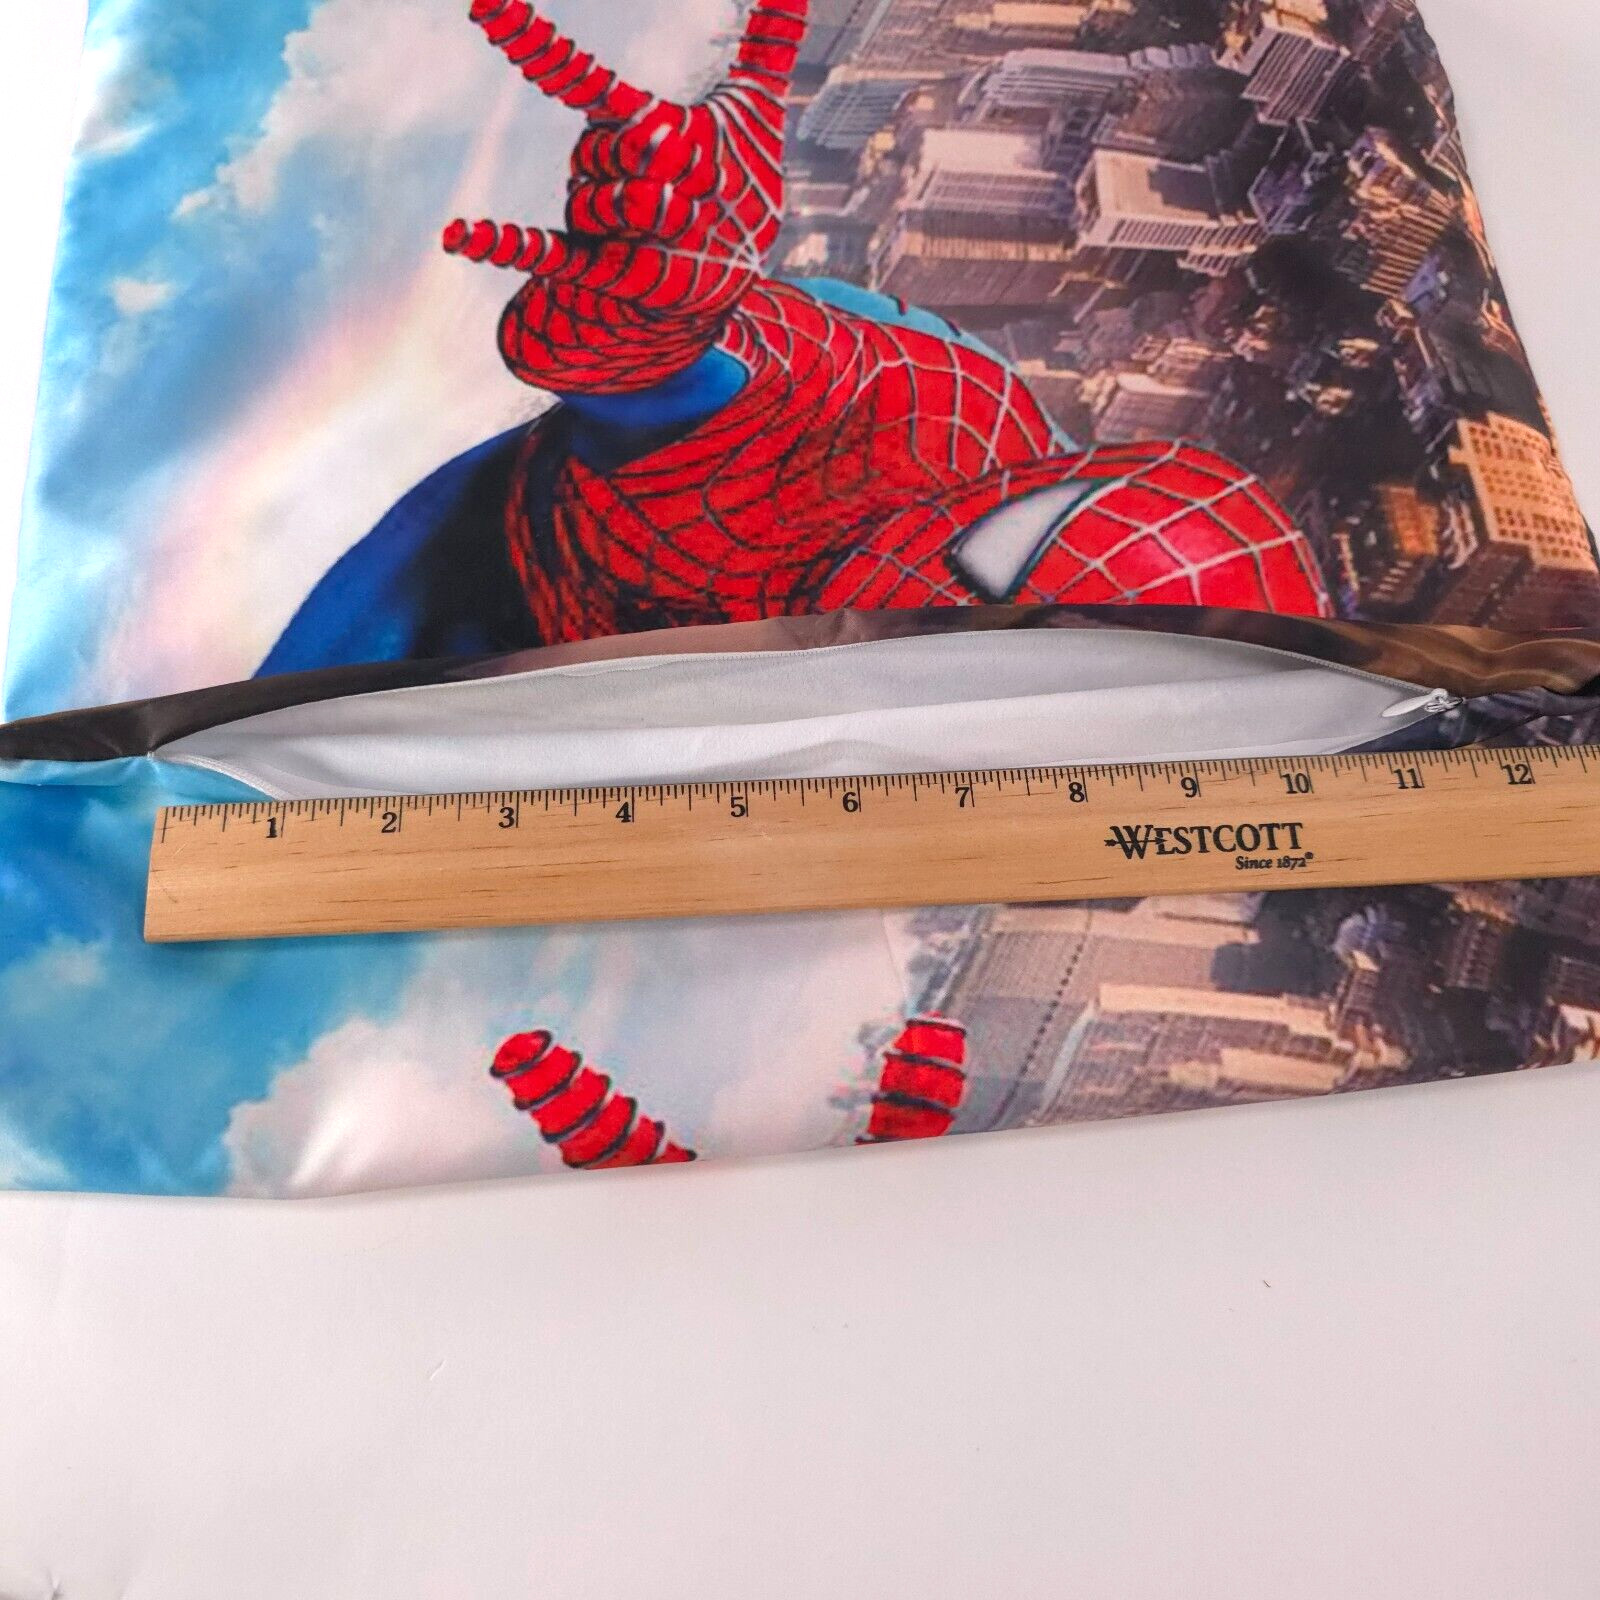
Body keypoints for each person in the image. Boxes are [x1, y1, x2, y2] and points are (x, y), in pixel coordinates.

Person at [263, 0, 1330, 676]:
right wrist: (659, 293)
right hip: (472, 592)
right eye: (1002, 586)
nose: (942, 632)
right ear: (1024, 492)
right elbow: (674, 376)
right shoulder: (913, 414)